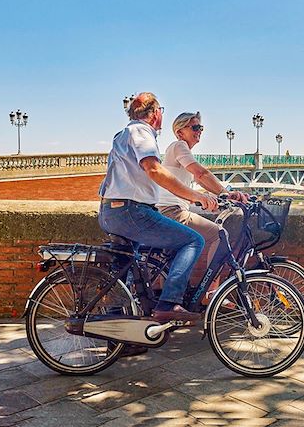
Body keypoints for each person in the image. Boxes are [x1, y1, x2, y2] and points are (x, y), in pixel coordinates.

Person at [98, 92, 218, 323]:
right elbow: (153, 169)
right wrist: (195, 196)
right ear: (155, 113)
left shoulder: (123, 133)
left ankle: (118, 336)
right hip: (130, 212)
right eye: (160, 109)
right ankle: (169, 303)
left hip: (110, 211)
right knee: (193, 240)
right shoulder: (142, 132)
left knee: (123, 271)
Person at [157, 112, 248, 298]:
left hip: (168, 210)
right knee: (218, 235)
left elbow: (185, 187)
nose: (199, 131)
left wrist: (210, 198)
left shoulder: (178, 151)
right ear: (179, 131)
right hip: (172, 212)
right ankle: (211, 293)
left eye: (201, 128)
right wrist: (225, 194)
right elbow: (201, 174)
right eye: (195, 127)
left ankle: (170, 295)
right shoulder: (179, 146)